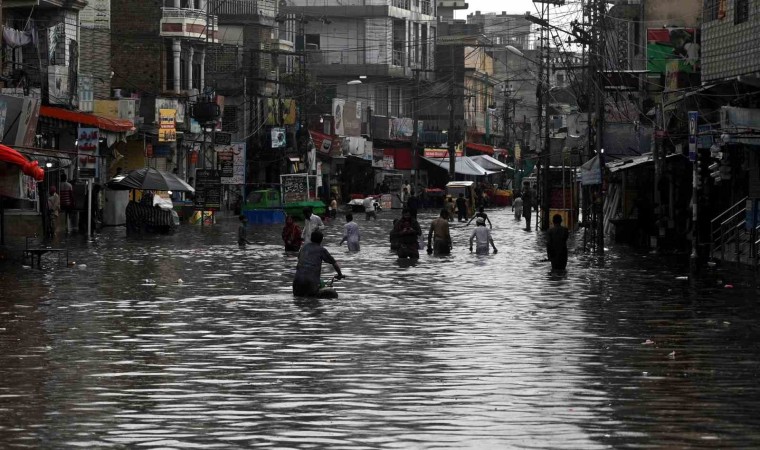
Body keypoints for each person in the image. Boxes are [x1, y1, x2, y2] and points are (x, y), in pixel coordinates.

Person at [293, 230, 344, 297]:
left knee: (298, 299)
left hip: (297, 281)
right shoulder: (321, 250)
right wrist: (340, 274)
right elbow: (334, 264)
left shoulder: (303, 248)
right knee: (313, 300)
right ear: (321, 240)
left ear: (311, 238)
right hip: (311, 282)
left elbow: (299, 259)